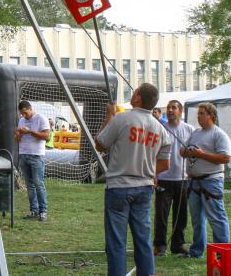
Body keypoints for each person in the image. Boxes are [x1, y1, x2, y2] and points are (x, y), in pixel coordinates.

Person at [95, 83, 171, 276]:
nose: (133, 93)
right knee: (143, 240)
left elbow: (100, 144)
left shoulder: (122, 119)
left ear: (138, 98)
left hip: (119, 186)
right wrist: (148, 171)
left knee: (116, 242)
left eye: (135, 91)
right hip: (144, 187)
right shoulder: (159, 128)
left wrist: (109, 116)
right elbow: (165, 164)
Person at [180, 102, 231, 258]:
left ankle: (222, 255)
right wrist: (186, 151)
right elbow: (182, 151)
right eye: (198, 113)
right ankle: (196, 252)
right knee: (197, 220)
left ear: (211, 115)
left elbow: (225, 157)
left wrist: (202, 154)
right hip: (193, 182)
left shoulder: (219, 134)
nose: (198, 116)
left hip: (211, 181)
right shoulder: (195, 133)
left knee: (216, 219)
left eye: (202, 113)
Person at [153, 100, 195, 256]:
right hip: (163, 178)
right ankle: (160, 246)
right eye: (169, 108)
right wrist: (155, 174)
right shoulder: (160, 128)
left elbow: (194, 152)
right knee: (161, 214)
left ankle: (177, 246)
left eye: (174, 107)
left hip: (183, 179)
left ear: (180, 111)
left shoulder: (190, 130)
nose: (170, 110)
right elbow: (153, 152)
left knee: (181, 215)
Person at [15, 100, 50, 221]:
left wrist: (29, 131)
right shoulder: (21, 120)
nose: (24, 115)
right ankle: (33, 210)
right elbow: (17, 139)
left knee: (38, 183)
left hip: (36, 155)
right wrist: (19, 133)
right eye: (22, 114)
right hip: (23, 154)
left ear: (30, 108)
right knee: (29, 185)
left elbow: (46, 136)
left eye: (25, 113)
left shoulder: (40, 118)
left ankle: (43, 210)